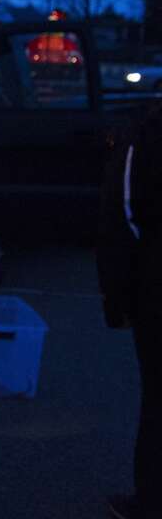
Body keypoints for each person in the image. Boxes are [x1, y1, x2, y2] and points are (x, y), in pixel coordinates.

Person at [98, 102, 162, 519]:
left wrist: (118, 298)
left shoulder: (144, 132)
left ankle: (151, 500)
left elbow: (121, 219)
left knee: (157, 399)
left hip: (154, 292)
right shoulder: (145, 131)